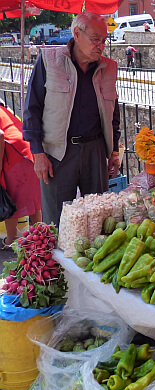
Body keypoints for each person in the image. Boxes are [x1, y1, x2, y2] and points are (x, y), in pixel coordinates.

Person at [22, 11, 121, 228]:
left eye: (104, 40)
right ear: (77, 34)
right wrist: (38, 154)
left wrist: (113, 151)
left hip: (95, 151)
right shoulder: (49, 61)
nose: (101, 45)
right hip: (57, 153)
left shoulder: (109, 67)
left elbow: (113, 113)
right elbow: (32, 109)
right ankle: (55, 263)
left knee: (99, 219)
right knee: (56, 222)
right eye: (96, 39)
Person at [0, 100, 43, 249]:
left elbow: (0, 136)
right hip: (28, 152)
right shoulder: (4, 109)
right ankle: (41, 237)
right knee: (34, 198)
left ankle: (11, 240)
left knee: (11, 199)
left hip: (15, 156)